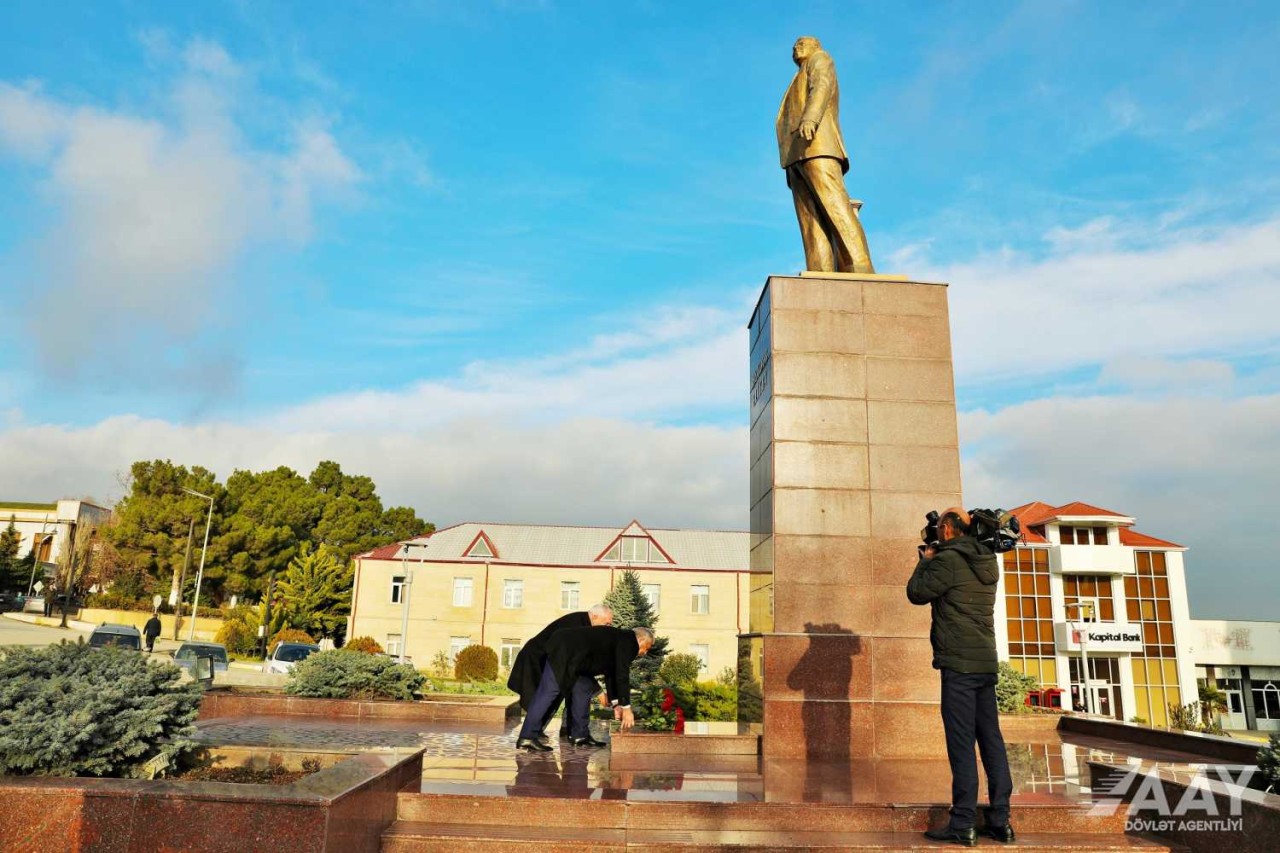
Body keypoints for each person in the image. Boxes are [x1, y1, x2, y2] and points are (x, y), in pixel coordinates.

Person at [907, 507, 1015, 846]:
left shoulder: (947, 561)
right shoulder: (987, 562)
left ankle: (963, 822)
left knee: (962, 745)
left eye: (940, 527)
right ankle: (1000, 821)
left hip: (959, 666)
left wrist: (925, 559)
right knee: (992, 742)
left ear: (949, 530)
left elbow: (916, 593)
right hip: (985, 663)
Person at [776, 36, 875, 274]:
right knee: (810, 219)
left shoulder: (820, 59)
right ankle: (820, 270)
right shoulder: (797, 75)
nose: (795, 48)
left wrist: (810, 118)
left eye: (801, 44)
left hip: (817, 144)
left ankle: (858, 264)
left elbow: (821, 87)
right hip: (795, 153)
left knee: (835, 204)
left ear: (815, 47)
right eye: (793, 46)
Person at [515, 626, 654, 752]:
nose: (645, 652)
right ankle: (527, 737)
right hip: (564, 650)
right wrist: (627, 708)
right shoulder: (629, 642)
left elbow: (612, 673)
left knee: (584, 688)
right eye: (648, 647)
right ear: (641, 639)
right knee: (548, 693)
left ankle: (580, 735)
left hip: (578, 661)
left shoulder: (621, 639)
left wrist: (617, 704)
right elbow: (622, 675)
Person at [507, 604, 613, 744]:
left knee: (568, 690)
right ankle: (530, 735)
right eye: (606, 623)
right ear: (594, 616)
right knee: (544, 697)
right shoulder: (578, 625)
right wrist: (598, 692)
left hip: (555, 662)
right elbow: (577, 661)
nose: (608, 627)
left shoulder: (584, 622)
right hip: (537, 659)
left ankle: (572, 732)